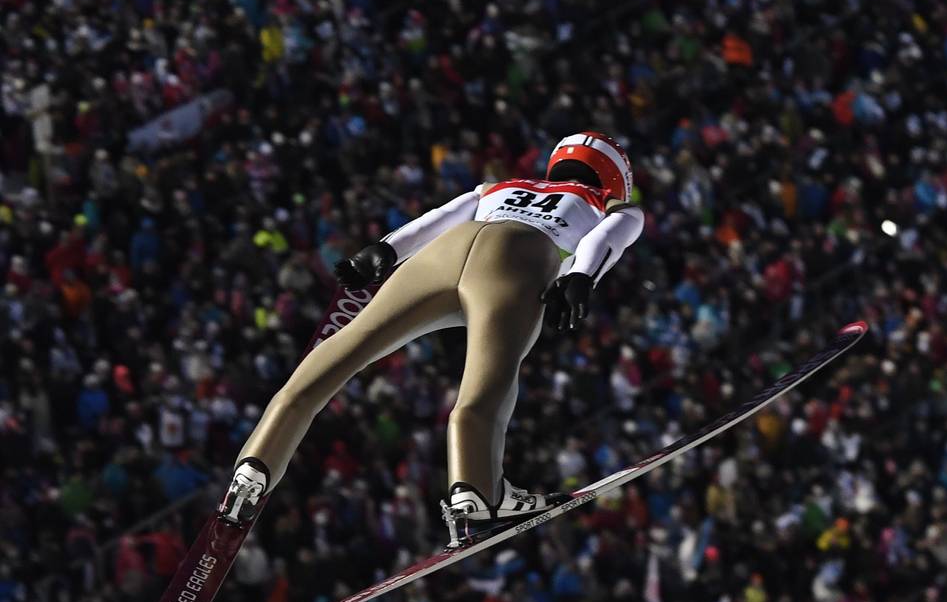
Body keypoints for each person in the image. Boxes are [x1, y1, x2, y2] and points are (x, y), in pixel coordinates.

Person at [220, 131, 644, 546]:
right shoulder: (612, 206)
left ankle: (255, 464)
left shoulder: (500, 186)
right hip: (518, 257)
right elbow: (606, 238)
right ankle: (476, 491)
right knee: (488, 383)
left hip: (442, 253)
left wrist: (385, 249)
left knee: (350, 345)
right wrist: (580, 277)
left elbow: (440, 217)